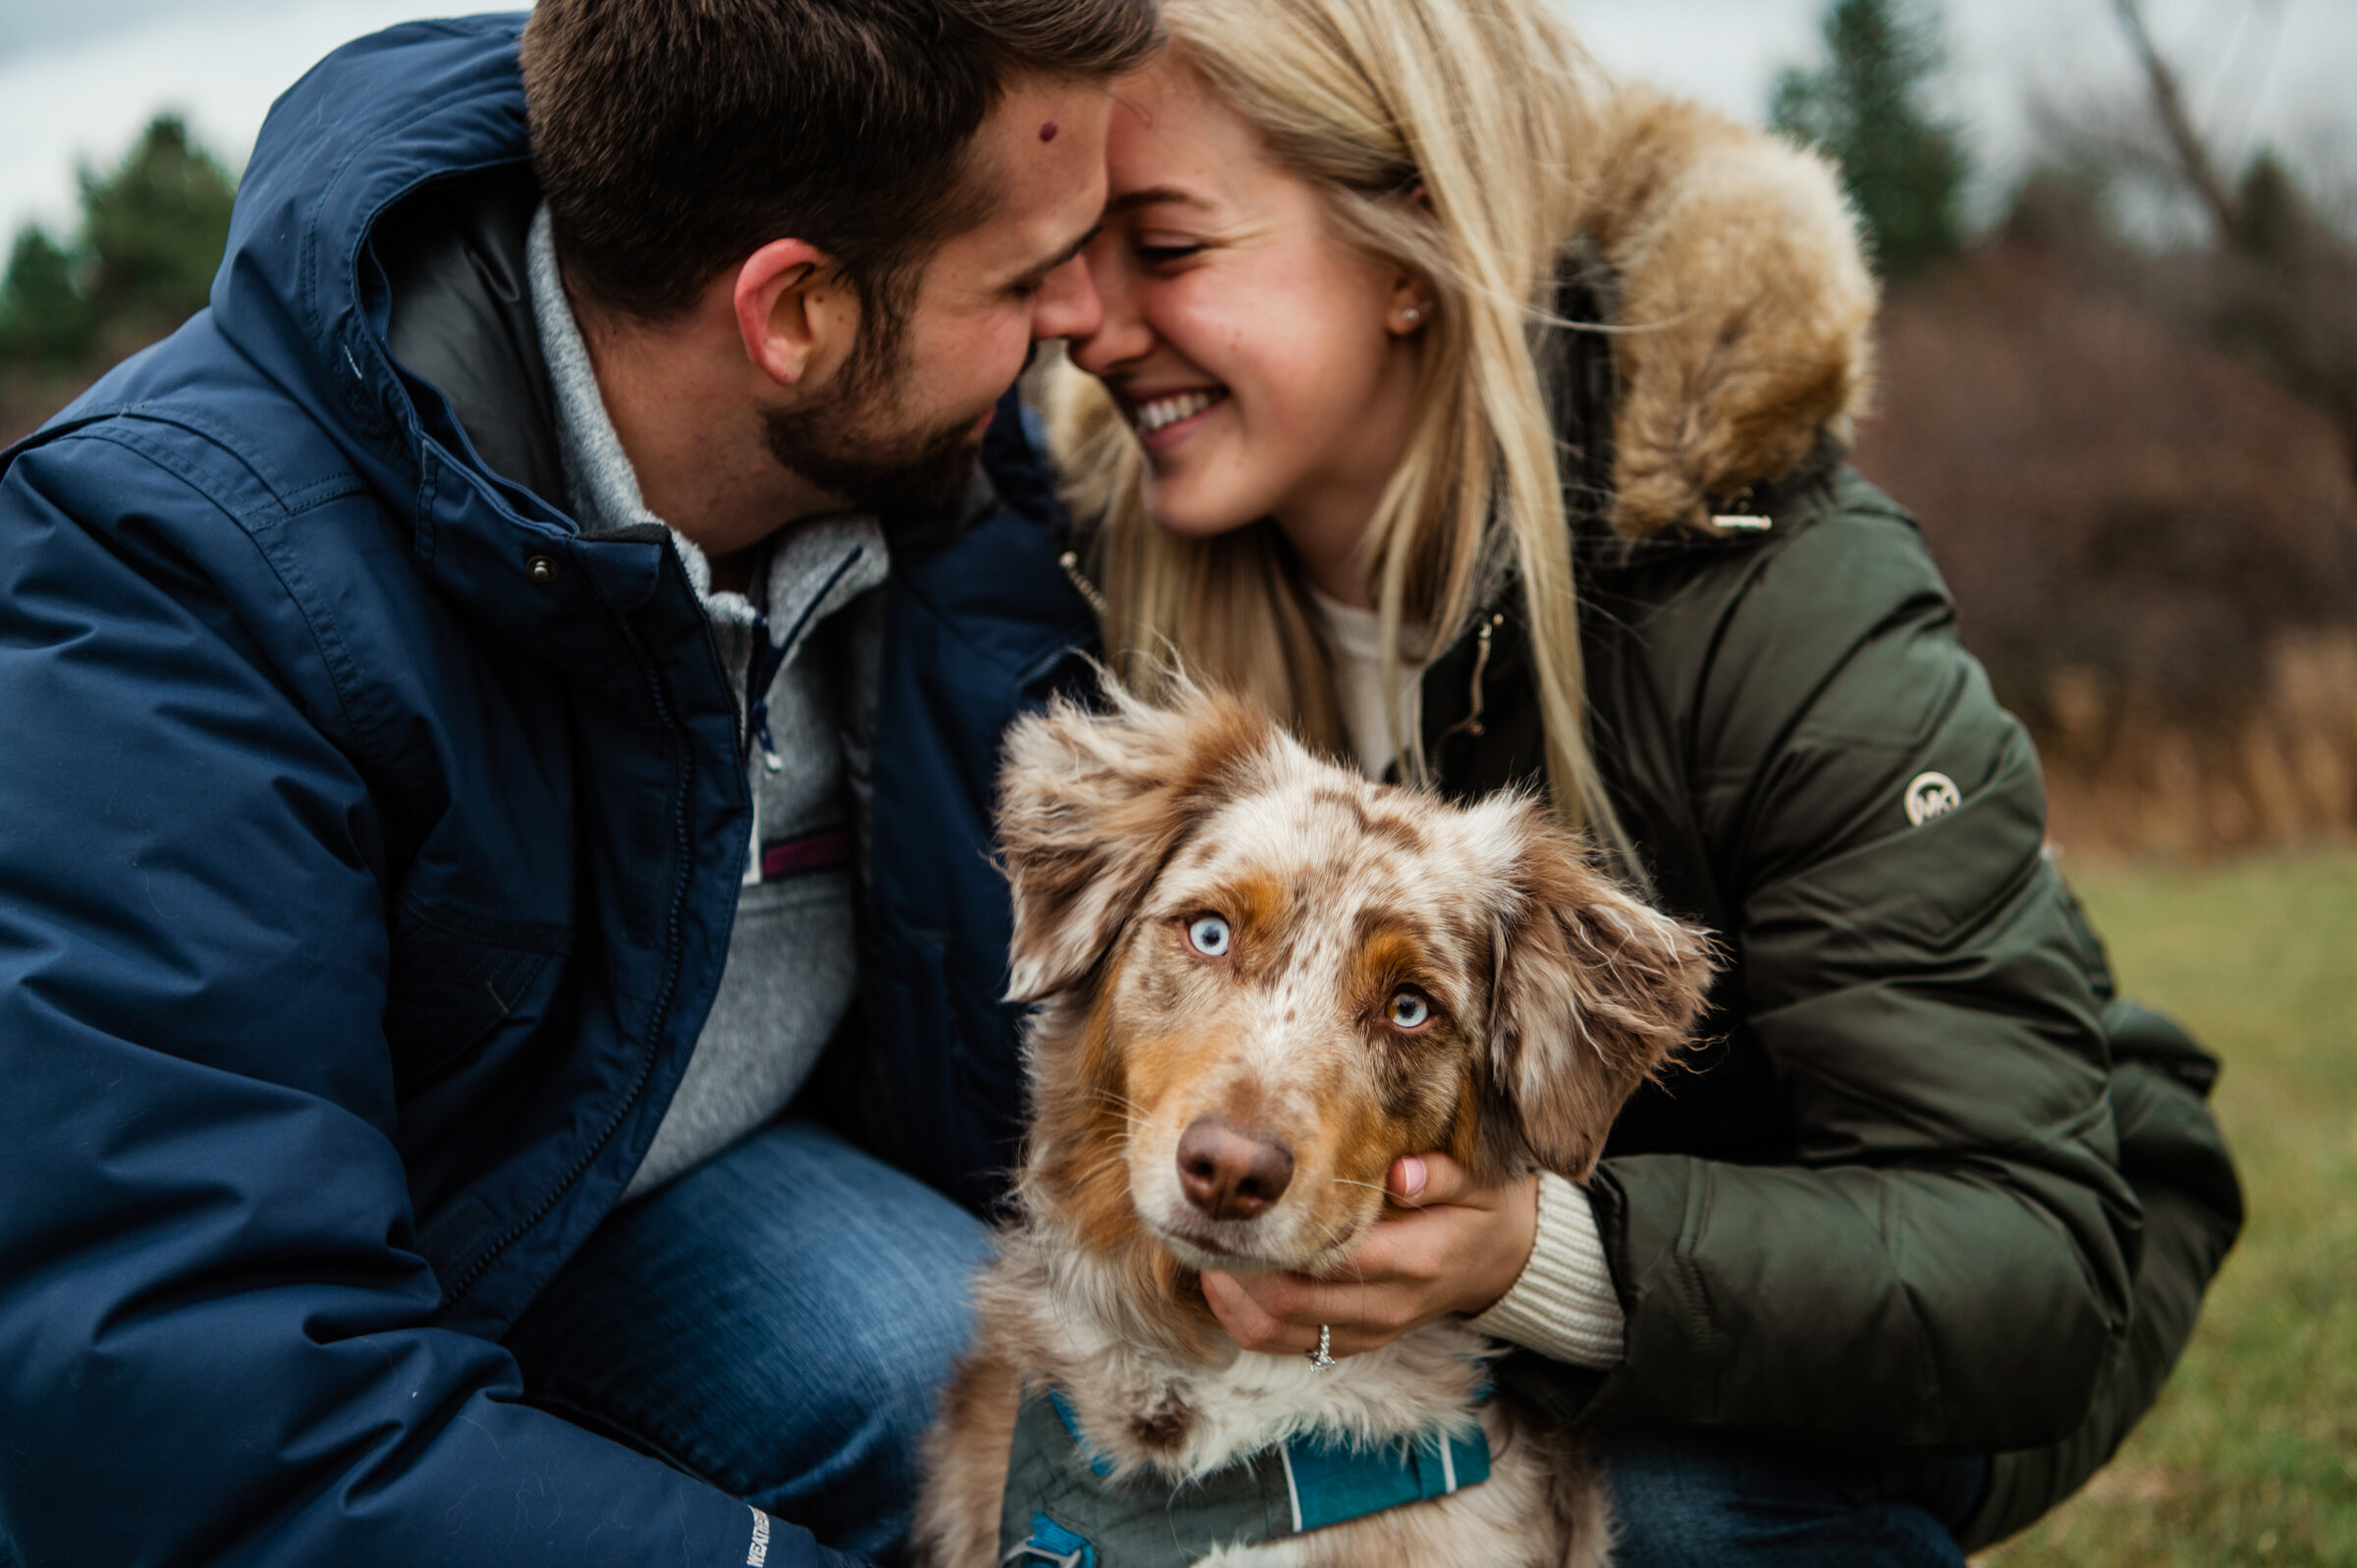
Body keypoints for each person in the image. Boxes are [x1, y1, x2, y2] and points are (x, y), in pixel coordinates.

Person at [857, 0, 2246, 1561]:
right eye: (1079, 245)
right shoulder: (1091, 544)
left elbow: (2027, 1251)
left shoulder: (1778, 588)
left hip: (1933, 1267)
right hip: (1414, 1302)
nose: (1085, 323)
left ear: (1410, 252)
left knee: (1659, 1508)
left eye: (1166, 247)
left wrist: (1537, 1255)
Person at [0, 2, 1158, 1565]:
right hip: (349, 1317)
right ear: (795, 310)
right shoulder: (168, 589)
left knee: (1028, 1416)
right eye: (1026, 274)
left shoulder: (945, 490)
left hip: (675, 1192)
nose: (1089, 314)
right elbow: (199, 1399)